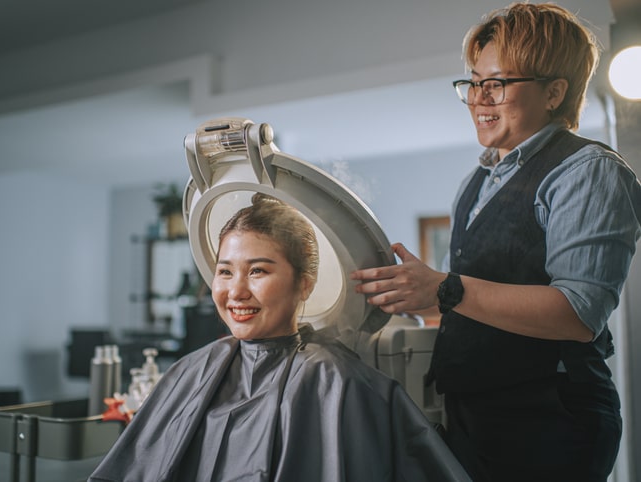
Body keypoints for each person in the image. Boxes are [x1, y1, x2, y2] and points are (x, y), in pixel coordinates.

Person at [352, 3, 641, 482]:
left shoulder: (587, 171)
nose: (479, 99)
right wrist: (407, 296)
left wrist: (444, 288)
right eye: (473, 82)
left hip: (549, 421)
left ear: (554, 92)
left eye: (498, 83)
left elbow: (578, 313)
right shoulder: (476, 180)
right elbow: (462, 305)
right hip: (473, 414)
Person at [89, 193, 470, 482]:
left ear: (304, 285)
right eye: (225, 271)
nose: (235, 291)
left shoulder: (335, 381)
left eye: (257, 271)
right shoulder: (192, 370)